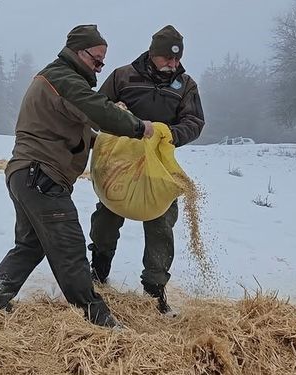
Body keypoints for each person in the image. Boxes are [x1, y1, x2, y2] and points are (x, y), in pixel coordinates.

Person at [0, 25, 154, 328]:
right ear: (78, 51)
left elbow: (75, 129)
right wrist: (139, 127)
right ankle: (98, 320)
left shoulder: (57, 79)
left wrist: (104, 143)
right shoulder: (64, 79)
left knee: (30, 244)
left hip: (25, 174)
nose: (100, 67)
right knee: (71, 248)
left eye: (103, 62)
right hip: (42, 176)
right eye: (96, 59)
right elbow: (97, 111)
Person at [88, 25, 205, 316]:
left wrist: (170, 135)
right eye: (167, 58)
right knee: (106, 216)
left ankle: (155, 291)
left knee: (162, 225)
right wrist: (115, 110)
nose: (173, 64)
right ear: (153, 54)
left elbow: (194, 122)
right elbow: (97, 109)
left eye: (177, 60)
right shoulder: (123, 76)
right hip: (121, 162)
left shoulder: (186, 85)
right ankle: (99, 271)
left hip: (158, 166)